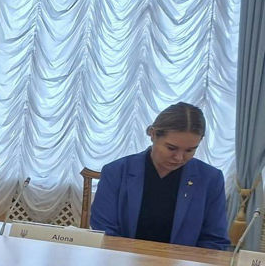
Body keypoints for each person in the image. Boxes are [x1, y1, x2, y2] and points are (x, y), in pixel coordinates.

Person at [90, 102, 231, 250]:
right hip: (122, 263)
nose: (179, 158)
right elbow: (104, 232)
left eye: (190, 150)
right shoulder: (116, 172)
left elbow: (214, 241)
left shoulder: (210, 179)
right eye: (171, 148)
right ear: (153, 134)